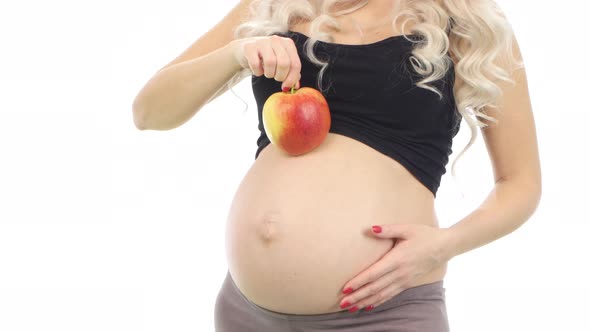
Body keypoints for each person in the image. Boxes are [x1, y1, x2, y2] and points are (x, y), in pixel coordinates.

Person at [132, 0, 542, 331]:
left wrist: (445, 244)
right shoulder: (272, 7)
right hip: (245, 314)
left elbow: (520, 183)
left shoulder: (468, 22)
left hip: (383, 313)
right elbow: (149, 113)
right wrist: (238, 53)